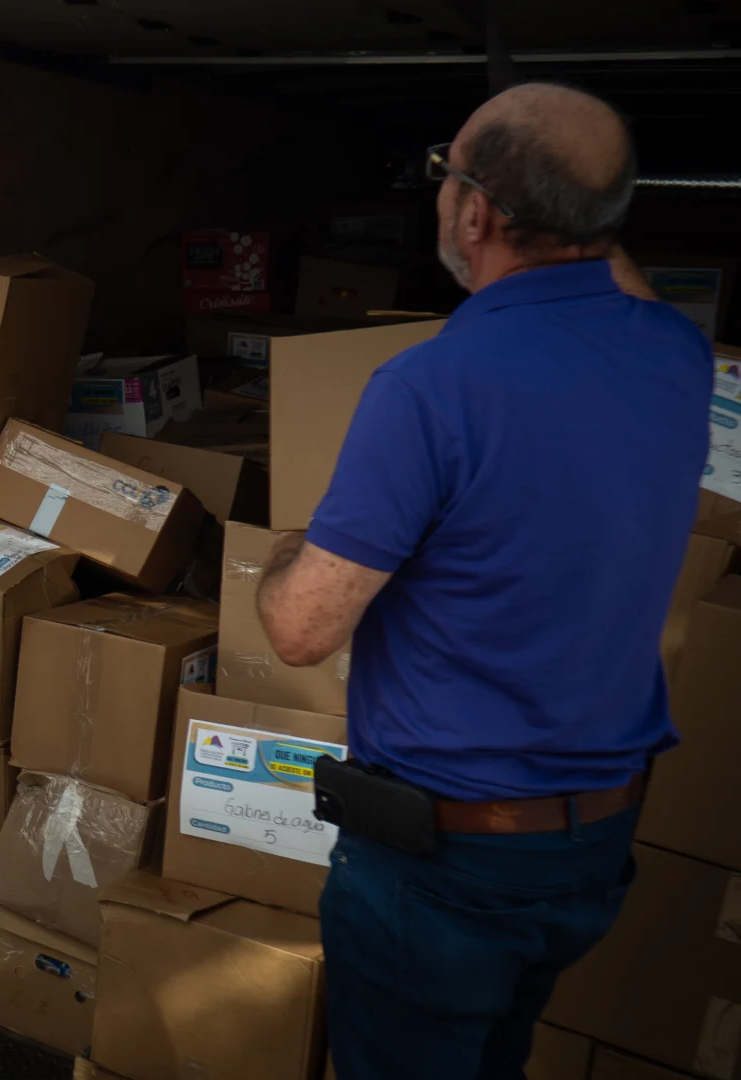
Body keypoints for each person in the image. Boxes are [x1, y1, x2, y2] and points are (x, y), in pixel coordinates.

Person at [254, 83, 710, 1079]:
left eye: (446, 177)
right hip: (590, 848)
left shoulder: (432, 387)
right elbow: (614, 277)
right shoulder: (678, 355)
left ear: (477, 214)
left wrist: (287, 549)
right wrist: (587, 205)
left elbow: (301, 628)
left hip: (449, 871)